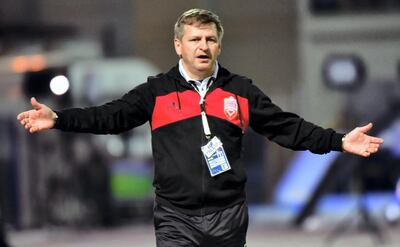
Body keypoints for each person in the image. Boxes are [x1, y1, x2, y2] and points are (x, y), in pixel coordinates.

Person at [17, 8, 384, 247]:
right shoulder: (156, 92)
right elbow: (109, 116)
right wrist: (60, 119)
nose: (203, 46)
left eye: (210, 39)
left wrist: (338, 141)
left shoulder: (240, 91)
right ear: (179, 46)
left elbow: (287, 127)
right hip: (176, 218)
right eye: (194, 39)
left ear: (219, 46)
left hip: (228, 218)